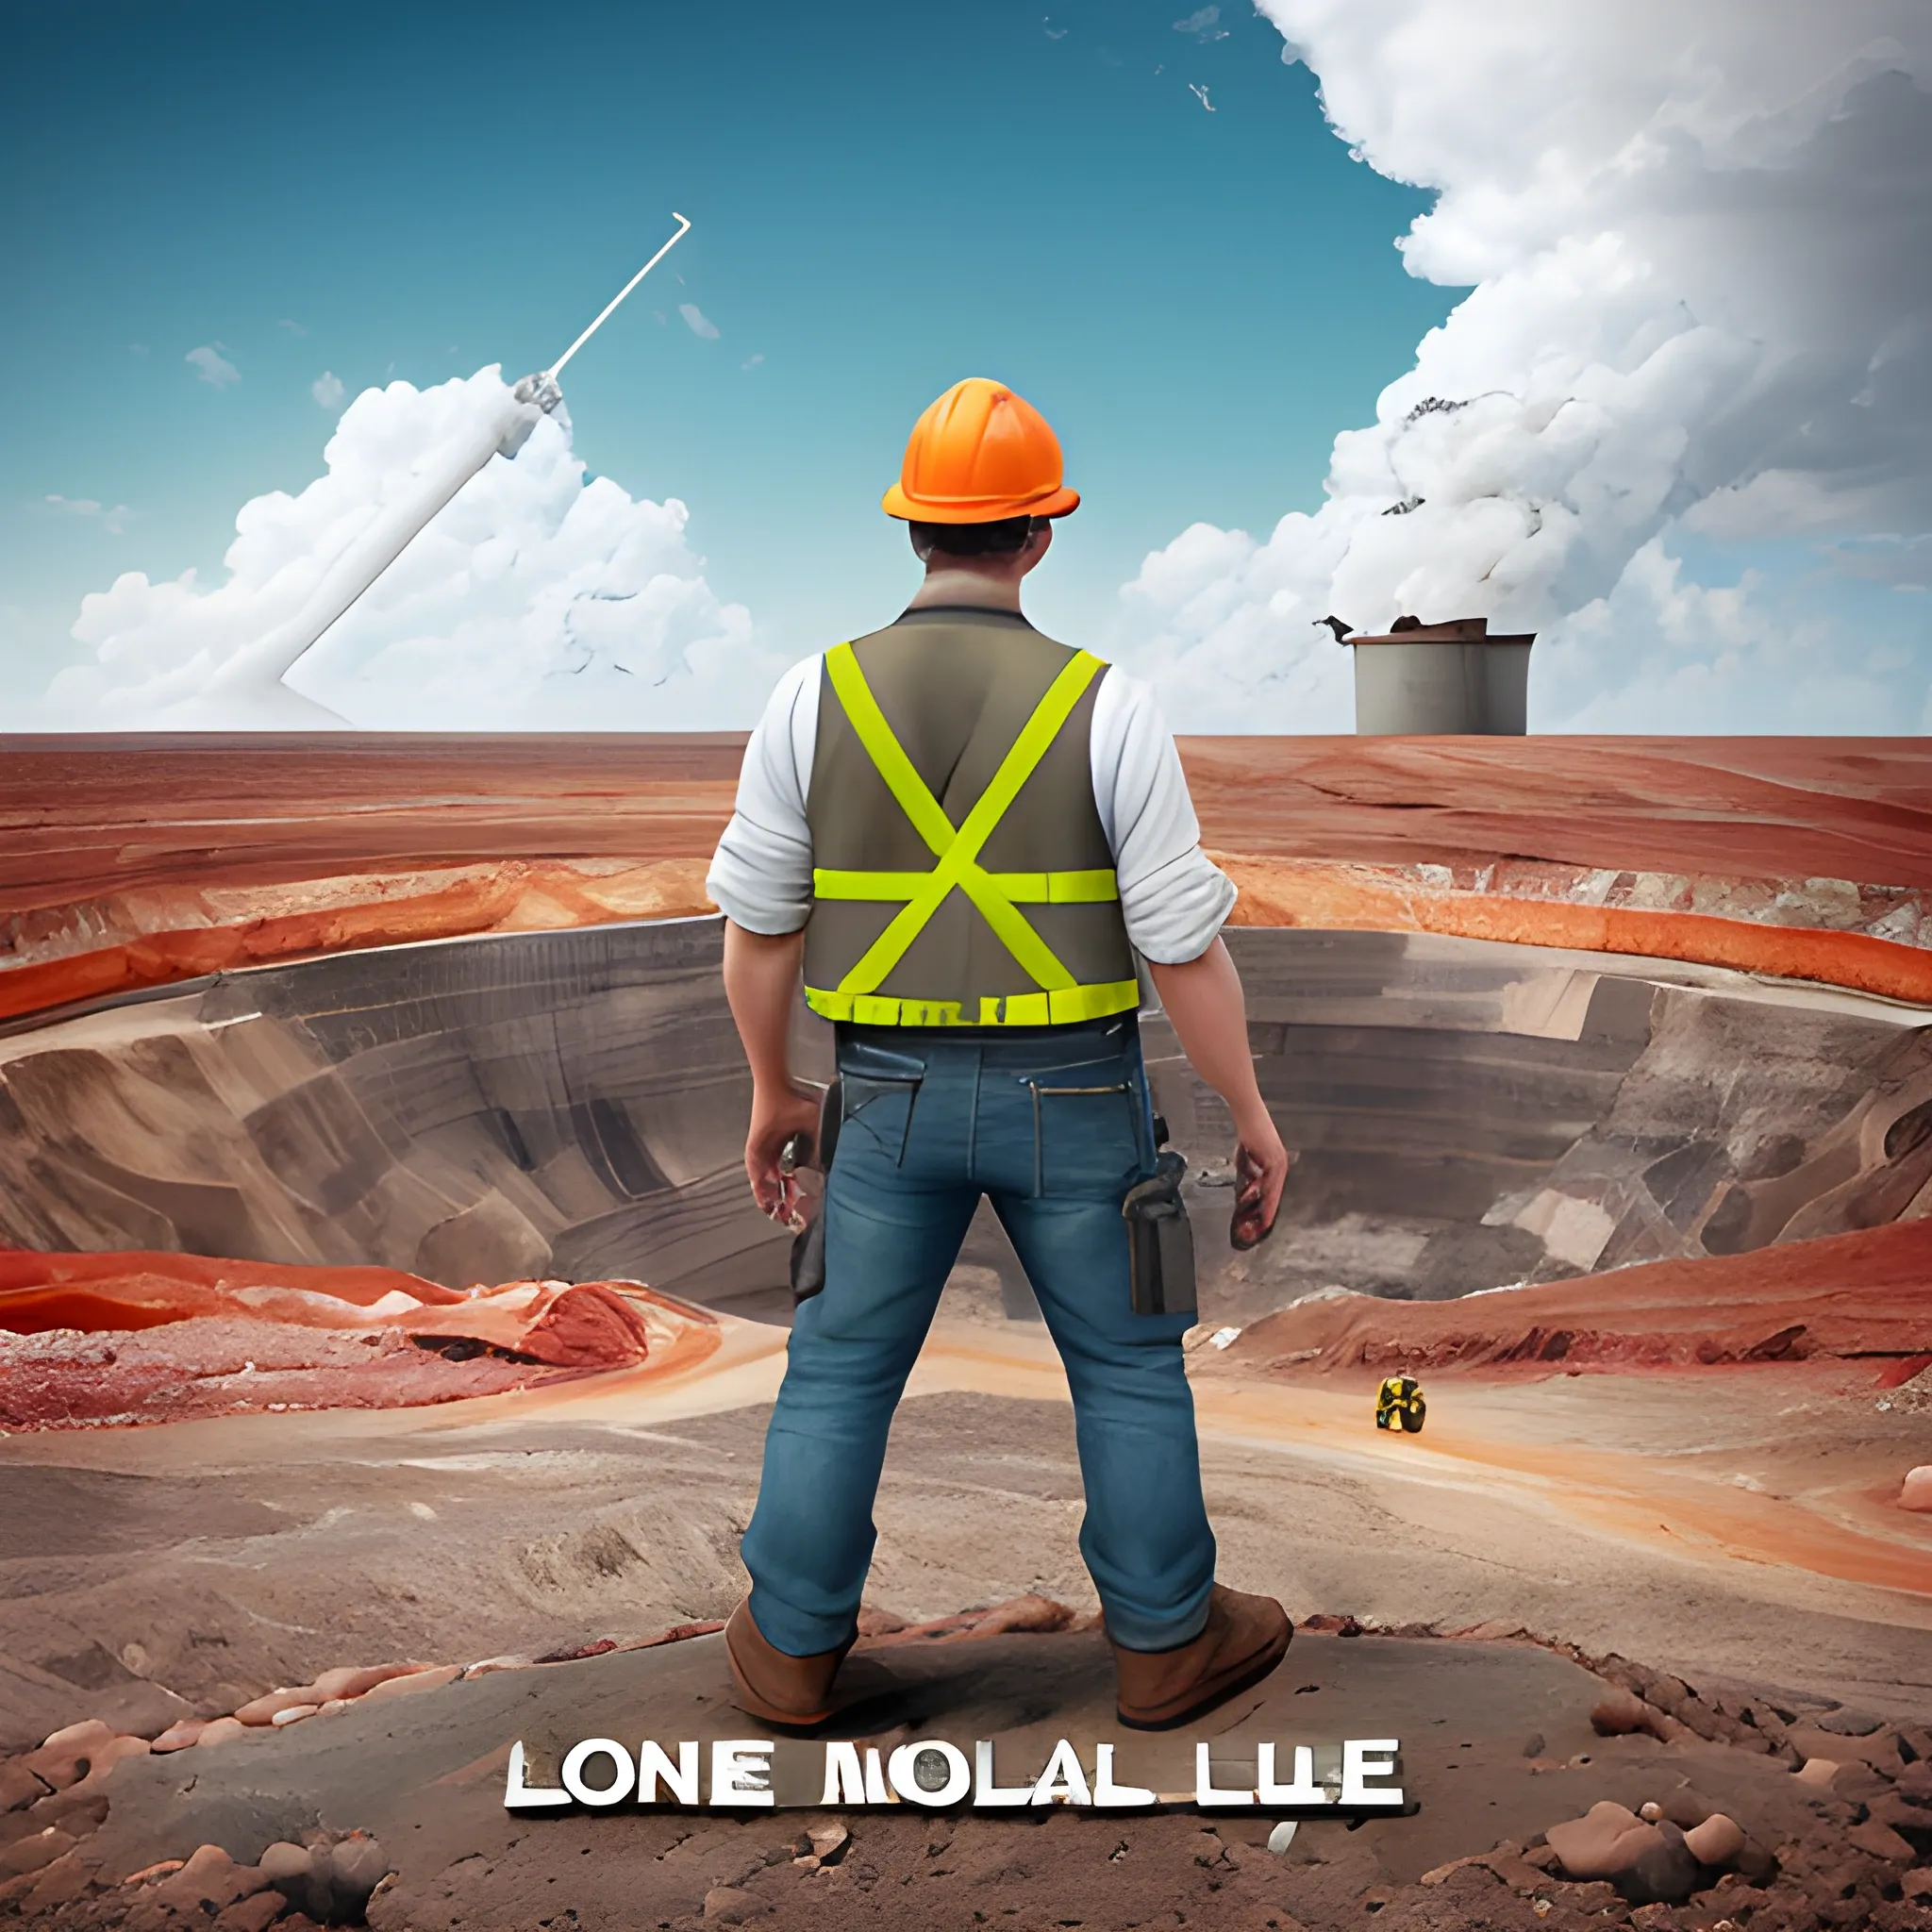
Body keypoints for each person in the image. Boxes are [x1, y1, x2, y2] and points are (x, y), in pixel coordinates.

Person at [704, 376, 1292, 1733]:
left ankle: (791, 1652)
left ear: (914, 529)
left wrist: (774, 1090)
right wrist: (1248, 1115)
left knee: (840, 1368)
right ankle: (1162, 1647)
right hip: (1079, 1095)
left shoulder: (810, 695)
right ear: (1039, 535)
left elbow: (759, 933)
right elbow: (1182, 950)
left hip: (885, 1100)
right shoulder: (1111, 704)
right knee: (1132, 1368)